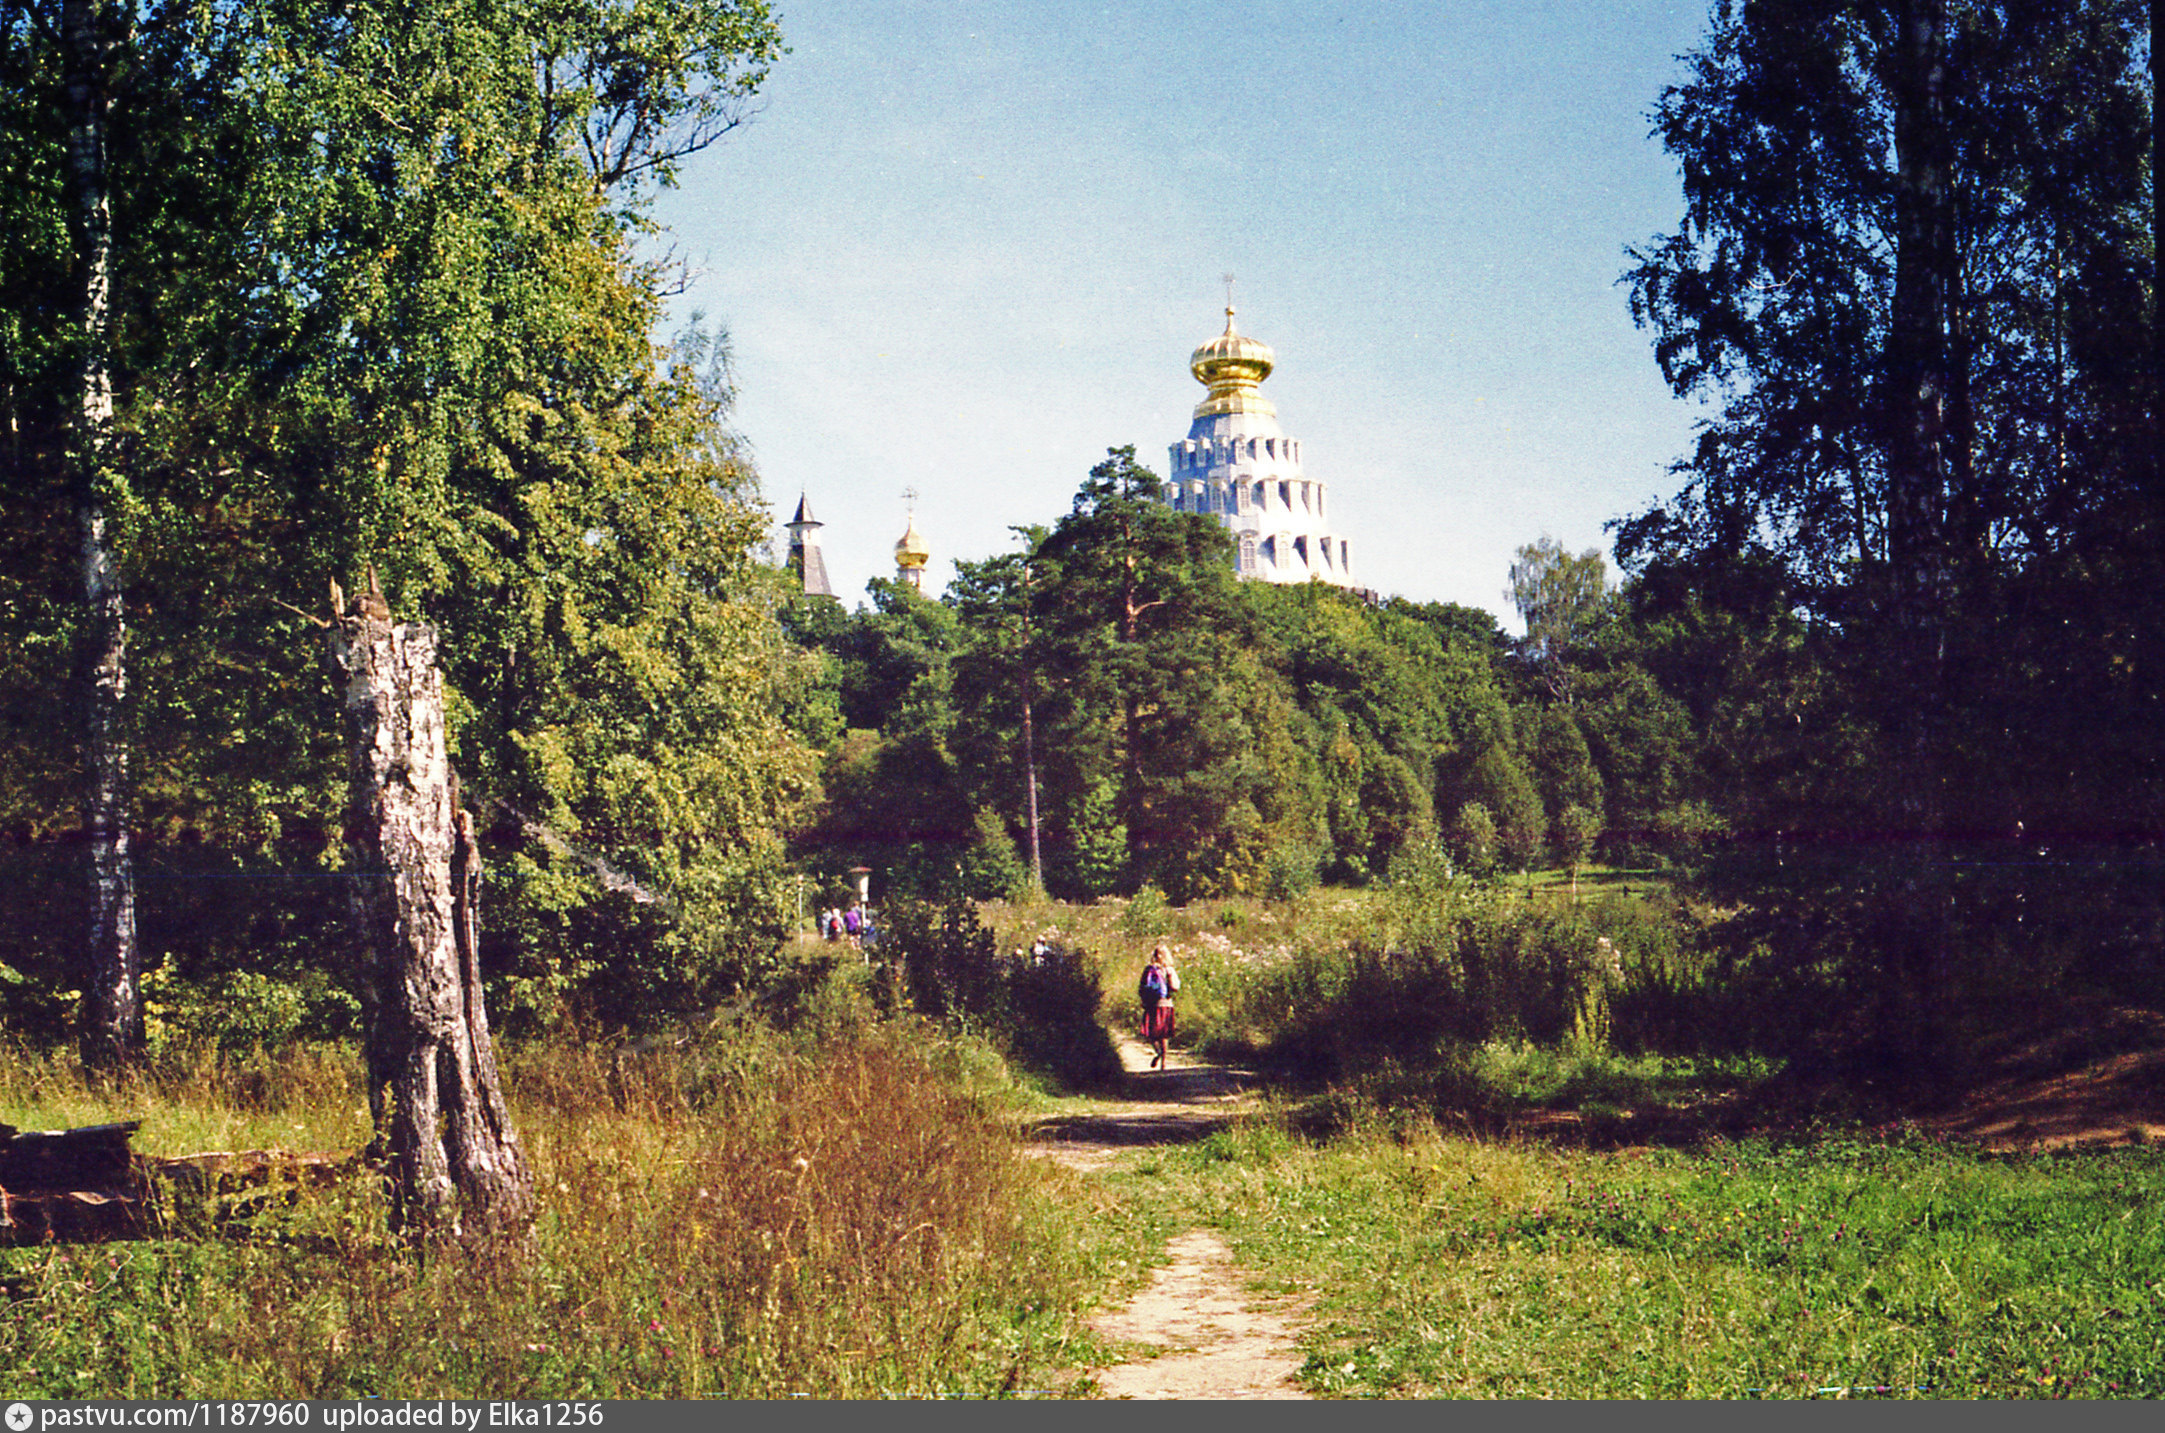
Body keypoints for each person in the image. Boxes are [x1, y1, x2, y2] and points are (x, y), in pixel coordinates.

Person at [1137, 944, 1180, 1069]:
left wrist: (1144, 1000)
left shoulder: (1149, 969)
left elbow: (1142, 987)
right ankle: (1164, 1062)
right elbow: (1175, 987)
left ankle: (1158, 1053)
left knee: (1151, 1033)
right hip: (1167, 1004)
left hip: (1153, 1004)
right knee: (1164, 1035)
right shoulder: (1169, 969)